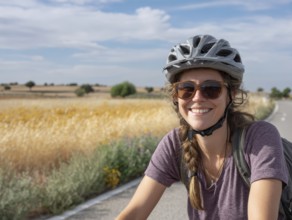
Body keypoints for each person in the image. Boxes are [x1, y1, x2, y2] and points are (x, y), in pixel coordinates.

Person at [116, 34, 288, 220]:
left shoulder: (259, 138)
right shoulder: (175, 143)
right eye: (186, 89)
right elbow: (134, 213)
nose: (197, 98)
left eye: (211, 89)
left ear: (231, 94)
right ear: (176, 96)